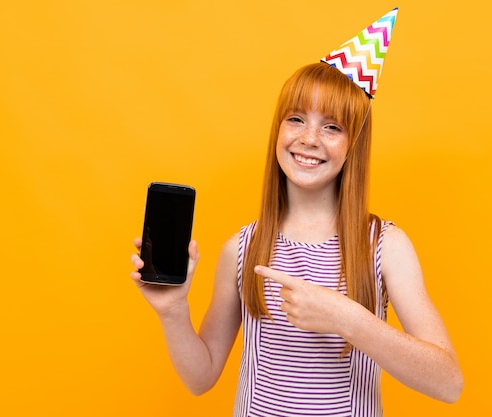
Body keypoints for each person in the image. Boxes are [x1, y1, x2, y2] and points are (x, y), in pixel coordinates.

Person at [130, 9, 463, 416]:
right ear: (278, 129)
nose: (308, 139)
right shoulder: (243, 248)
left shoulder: (384, 246)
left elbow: (448, 383)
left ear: (353, 144)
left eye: (332, 127)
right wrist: (173, 311)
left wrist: (348, 319)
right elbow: (201, 379)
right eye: (296, 119)